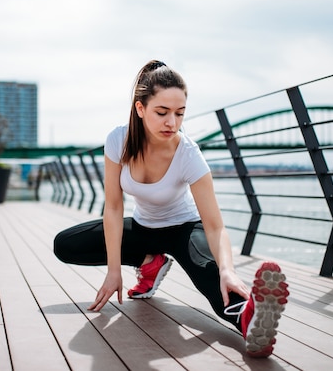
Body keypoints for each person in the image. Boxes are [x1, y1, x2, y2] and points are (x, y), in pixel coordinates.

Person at [54, 60, 289, 358]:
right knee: (65, 244)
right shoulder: (117, 140)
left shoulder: (189, 154)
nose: (172, 123)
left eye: (180, 114)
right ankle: (151, 262)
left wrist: (228, 270)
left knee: (212, 276)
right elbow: (113, 207)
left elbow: (215, 225)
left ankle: (250, 319)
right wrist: (114, 270)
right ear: (140, 109)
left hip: (184, 229)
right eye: (162, 113)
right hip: (142, 229)